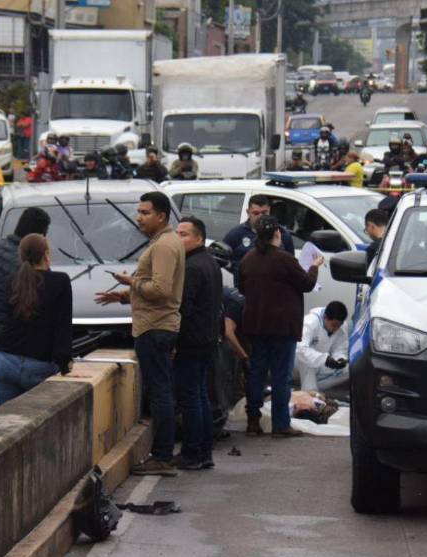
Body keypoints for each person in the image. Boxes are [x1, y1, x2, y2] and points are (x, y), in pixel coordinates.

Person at [95, 192, 185, 477]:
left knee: (160, 393)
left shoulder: (165, 245)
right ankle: (162, 455)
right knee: (161, 390)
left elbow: (161, 290)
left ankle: (162, 456)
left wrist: (130, 281)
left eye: (145, 213)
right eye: (139, 212)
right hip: (155, 325)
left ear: (161, 216)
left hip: (155, 327)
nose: (139, 218)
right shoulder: (162, 242)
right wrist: (123, 296)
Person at [238, 216, 322, 437]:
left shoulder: (248, 259)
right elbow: (307, 283)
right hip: (282, 327)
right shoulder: (285, 259)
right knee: (280, 376)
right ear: (278, 234)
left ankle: (253, 420)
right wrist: (314, 267)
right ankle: (280, 424)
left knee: (256, 373)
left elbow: (241, 286)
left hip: (256, 325)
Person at [0, 208, 51, 422]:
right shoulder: (30, 266)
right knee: (5, 410)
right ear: (41, 236)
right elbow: (35, 311)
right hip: (7, 348)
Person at [0, 234, 72, 405]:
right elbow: (63, 326)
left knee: (7, 418)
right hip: (40, 365)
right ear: (46, 255)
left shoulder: (11, 281)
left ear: (21, 256)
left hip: (4, 361)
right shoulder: (60, 281)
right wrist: (65, 366)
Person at [172, 216, 222, 470]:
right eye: (177, 233)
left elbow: (183, 307)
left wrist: (173, 339)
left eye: (184, 234)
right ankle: (203, 451)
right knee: (200, 394)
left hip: (192, 340)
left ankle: (192, 452)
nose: (178, 239)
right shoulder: (209, 261)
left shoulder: (192, 267)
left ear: (199, 238)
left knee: (191, 397)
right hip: (207, 338)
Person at [223, 194, 295, 284]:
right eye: (256, 213)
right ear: (248, 212)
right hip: (246, 288)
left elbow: (291, 264)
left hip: (274, 288)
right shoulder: (236, 234)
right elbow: (223, 258)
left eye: (264, 213)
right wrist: (238, 271)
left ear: (269, 210)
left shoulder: (282, 234)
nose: (261, 217)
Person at [295, 302, 349, 392]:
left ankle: (313, 389)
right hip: (302, 364)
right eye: (334, 325)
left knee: (347, 370)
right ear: (325, 317)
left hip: (323, 363)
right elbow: (300, 349)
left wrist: (340, 359)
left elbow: (340, 348)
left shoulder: (342, 326)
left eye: (338, 326)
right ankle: (311, 389)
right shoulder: (310, 322)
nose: (336, 329)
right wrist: (325, 359)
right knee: (306, 361)